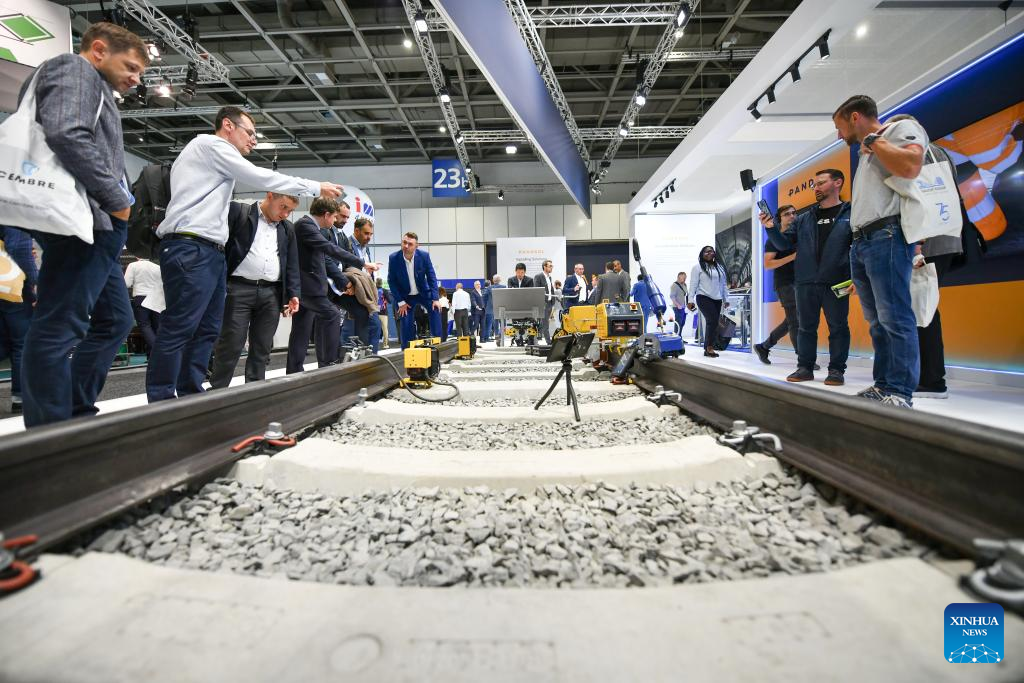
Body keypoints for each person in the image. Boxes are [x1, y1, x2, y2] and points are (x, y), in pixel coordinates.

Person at [148, 105, 342, 402]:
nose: (253, 140)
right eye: (250, 133)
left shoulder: (216, 163)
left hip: (210, 252)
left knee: (208, 330)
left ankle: (191, 396)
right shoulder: (210, 145)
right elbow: (260, 177)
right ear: (228, 125)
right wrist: (315, 187)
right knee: (181, 326)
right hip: (191, 246)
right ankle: (161, 401)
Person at [18, 23, 148, 426]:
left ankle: (75, 411)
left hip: (98, 224)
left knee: (115, 320)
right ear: (99, 50)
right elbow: (67, 133)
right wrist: (118, 199)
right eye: (131, 67)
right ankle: (50, 432)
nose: (136, 79)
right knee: (58, 325)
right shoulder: (73, 68)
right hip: (85, 222)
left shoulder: (91, 82)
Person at [833, 95, 927, 408]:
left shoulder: (900, 129)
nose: (839, 135)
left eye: (840, 127)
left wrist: (874, 140)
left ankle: (900, 391)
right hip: (863, 241)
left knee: (895, 317)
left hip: (886, 235)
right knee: (877, 323)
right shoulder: (866, 150)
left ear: (855, 117)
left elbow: (911, 165)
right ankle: (884, 385)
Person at [761, 170, 853, 385]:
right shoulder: (803, 219)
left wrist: (856, 277)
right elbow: (783, 244)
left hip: (838, 281)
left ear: (837, 183)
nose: (816, 188)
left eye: (821, 183)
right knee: (805, 328)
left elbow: (858, 247)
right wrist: (771, 228)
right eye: (814, 184)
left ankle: (836, 370)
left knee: (838, 327)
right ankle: (805, 368)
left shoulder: (851, 214)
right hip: (804, 282)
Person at [209, 193, 300, 388]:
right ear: (270, 196)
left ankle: (255, 390)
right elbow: (220, 248)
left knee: (262, 347)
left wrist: (293, 294)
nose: (285, 214)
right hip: (238, 289)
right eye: (283, 207)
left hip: (272, 293)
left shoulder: (287, 229)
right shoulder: (239, 213)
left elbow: (292, 264)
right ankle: (218, 390)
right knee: (231, 344)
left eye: (290, 211)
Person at [287, 198, 373, 373]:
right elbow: (329, 249)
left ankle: (294, 371)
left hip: (311, 287)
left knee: (301, 330)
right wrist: (362, 262)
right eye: (335, 216)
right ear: (326, 215)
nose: (335, 220)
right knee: (331, 315)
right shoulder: (306, 226)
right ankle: (329, 364)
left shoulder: (313, 228)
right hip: (309, 287)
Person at [0, 225, 37, 414]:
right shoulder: (11, 210)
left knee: (3, 341)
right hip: (11, 286)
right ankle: (21, 396)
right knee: (21, 343)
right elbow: (19, 248)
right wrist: (33, 284)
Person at [388, 232, 442, 349]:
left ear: (417, 246)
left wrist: (435, 298)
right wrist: (400, 301)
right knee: (406, 322)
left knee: (435, 309)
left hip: (423, 293)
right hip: (405, 297)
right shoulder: (394, 258)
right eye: (404, 242)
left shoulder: (424, 256)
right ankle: (407, 351)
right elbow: (391, 281)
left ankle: (438, 346)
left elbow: (431, 277)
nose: (406, 246)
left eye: (410, 244)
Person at [338, 217, 381, 353]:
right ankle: (347, 361)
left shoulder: (365, 248)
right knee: (350, 332)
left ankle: (372, 358)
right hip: (352, 293)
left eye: (371, 234)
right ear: (357, 231)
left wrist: (368, 272)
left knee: (374, 327)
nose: (369, 237)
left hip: (365, 293)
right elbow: (345, 268)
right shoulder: (346, 243)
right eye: (366, 233)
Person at [689, 246, 728, 357]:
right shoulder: (697, 268)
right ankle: (709, 347)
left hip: (717, 299)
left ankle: (708, 346)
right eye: (706, 252)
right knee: (712, 321)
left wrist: (726, 298)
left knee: (714, 322)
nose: (709, 253)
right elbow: (693, 284)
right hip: (703, 297)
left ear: (714, 253)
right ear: (702, 254)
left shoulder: (719, 268)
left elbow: (723, 284)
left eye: (711, 251)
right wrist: (690, 299)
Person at [123, 256, 163, 353]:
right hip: (157, 297)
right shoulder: (157, 267)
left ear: (137, 256)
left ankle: (157, 351)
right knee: (156, 326)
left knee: (144, 325)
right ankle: (152, 356)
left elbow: (127, 283)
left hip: (141, 297)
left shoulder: (133, 265)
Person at [534, 259, 557, 344]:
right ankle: (548, 342)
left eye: (552, 266)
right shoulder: (538, 276)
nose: (552, 267)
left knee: (545, 323)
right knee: (545, 324)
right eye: (550, 266)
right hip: (543, 304)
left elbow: (551, 290)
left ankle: (539, 338)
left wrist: (553, 302)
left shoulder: (549, 277)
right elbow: (536, 290)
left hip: (550, 303)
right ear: (545, 267)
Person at [482, 275, 503, 343]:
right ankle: (500, 334)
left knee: (491, 324)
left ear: (493, 281)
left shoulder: (489, 288)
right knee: (503, 323)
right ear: (500, 280)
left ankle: (493, 336)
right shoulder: (503, 287)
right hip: (501, 308)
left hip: (490, 309)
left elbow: (484, 298)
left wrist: (485, 306)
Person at [376, 279, 391, 349]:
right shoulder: (385, 291)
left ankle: (373, 344)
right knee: (385, 329)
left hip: (375, 312)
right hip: (384, 312)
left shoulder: (373, 290)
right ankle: (385, 345)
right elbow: (390, 301)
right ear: (382, 283)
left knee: (375, 328)